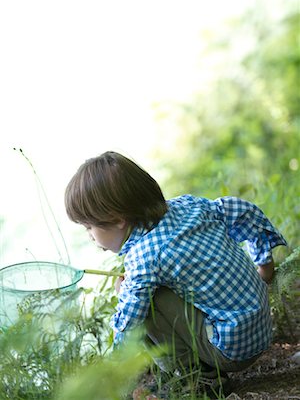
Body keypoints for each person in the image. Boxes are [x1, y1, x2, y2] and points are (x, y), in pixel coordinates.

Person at [64, 151, 288, 398]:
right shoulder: (188, 205)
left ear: (117, 220)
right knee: (152, 290)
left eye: (89, 227)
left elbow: (128, 323)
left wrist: (112, 367)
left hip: (233, 351)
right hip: (261, 328)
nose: (90, 236)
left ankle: (198, 378)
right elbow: (242, 210)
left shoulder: (144, 256)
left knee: (147, 301)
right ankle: (199, 366)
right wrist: (264, 266)